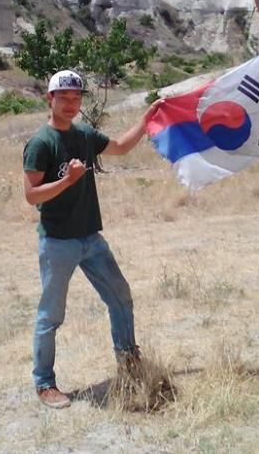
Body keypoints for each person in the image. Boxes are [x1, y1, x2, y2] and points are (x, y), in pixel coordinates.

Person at [22, 69, 162, 409]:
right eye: (64, 98)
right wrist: (67, 181)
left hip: (91, 238)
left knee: (121, 297)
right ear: (49, 99)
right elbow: (31, 196)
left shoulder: (84, 134)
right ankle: (44, 384)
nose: (71, 104)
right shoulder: (40, 143)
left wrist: (147, 119)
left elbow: (121, 147)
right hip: (58, 242)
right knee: (51, 315)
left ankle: (129, 365)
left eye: (76, 98)